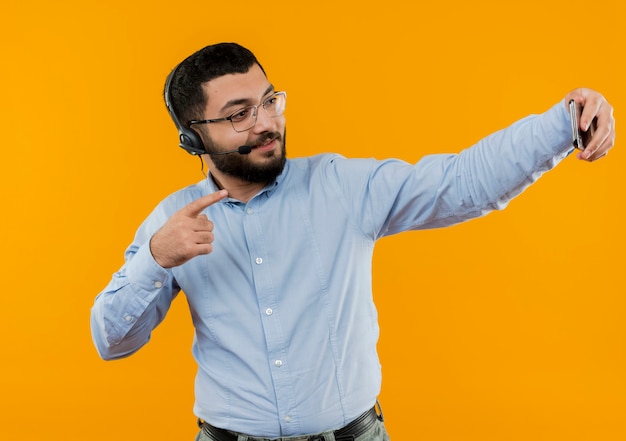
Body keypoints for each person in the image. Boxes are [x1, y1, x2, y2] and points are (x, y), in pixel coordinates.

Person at [90, 42, 616, 441]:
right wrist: (156, 259)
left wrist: (565, 123)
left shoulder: (341, 185)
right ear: (192, 135)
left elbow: (461, 182)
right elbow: (111, 341)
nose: (266, 123)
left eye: (269, 101)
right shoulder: (171, 222)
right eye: (238, 114)